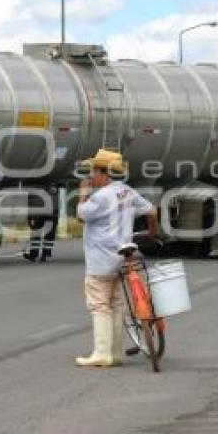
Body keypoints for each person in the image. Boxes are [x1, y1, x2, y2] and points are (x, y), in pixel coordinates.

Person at [75, 149, 158, 367]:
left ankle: (102, 353)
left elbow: (81, 216)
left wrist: (83, 193)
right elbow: (152, 211)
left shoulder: (100, 197)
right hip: (121, 258)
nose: (91, 177)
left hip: (101, 260)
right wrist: (152, 231)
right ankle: (115, 353)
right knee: (116, 303)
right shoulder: (127, 191)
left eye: (94, 172)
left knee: (99, 304)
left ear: (104, 173)